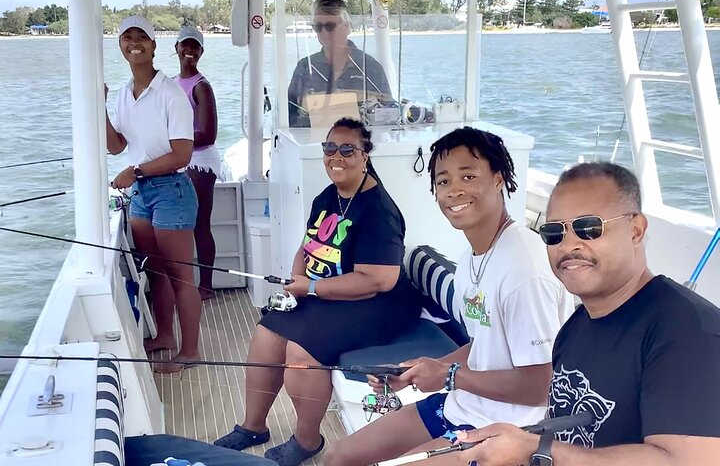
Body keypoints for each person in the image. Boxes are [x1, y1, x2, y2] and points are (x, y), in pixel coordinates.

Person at [323, 127, 574, 466]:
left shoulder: (525, 272)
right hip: (463, 403)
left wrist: (449, 377)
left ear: (499, 178)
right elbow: (485, 344)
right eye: (443, 182)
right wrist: (425, 369)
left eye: (468, 176)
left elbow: (541, 386)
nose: (454, 190)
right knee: (337, 457)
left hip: (513, 429)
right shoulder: (471, 259)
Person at [454, 162, 720, 466]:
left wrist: (534, 450)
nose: (569, 245)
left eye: (589, 228)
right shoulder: (575, 328)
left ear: (636, 230)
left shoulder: (689, 332)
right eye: (554, 233)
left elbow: (688, 462)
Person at [212, 118, 421, 465]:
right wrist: (297, 283)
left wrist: (310, 287)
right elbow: (308, 247)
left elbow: (377, 280)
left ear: (365, 155)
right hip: (329, 295)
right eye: (329, 148)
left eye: (347, 149)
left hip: (380, 304)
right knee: (267, 332)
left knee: (301, 353)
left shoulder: (378, 209)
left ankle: (307, 440)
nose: (336, 156)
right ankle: (253, 426)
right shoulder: (329, 196)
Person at [105, 16, 202, 373]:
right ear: (120, 47)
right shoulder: (122, 93)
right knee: (156, 271)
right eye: (126, 38)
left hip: (172, 190)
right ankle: (164, 337)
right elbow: (116, 146)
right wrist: (98, 108)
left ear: (153, 45)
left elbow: (182, 154)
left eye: (141, 37)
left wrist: (137, 171)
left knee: (181, 275)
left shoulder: (171, 93)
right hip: (142, 193)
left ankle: (190, 351)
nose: (134, 43)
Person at [288, 0, 392, 127]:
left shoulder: (370, 66)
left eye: (330, 26)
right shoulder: (305, 67)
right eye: (318, 27)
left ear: (347, 27)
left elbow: (388, 112)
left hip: (358, 142)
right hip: (313, 141)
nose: (324, 32)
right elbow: (289, 114)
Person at [174, 25, 220, 301]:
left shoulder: (201, 87)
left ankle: (206, 286)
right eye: (185, 45)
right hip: (179, 159)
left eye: (195, 46)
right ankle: (182, 284)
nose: (190, 50)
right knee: (180, 225)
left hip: (200, 161)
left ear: (201, 51)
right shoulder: (170, 83)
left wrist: (175, 141)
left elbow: (207, 133)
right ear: (176, 48)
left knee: (200, 224)